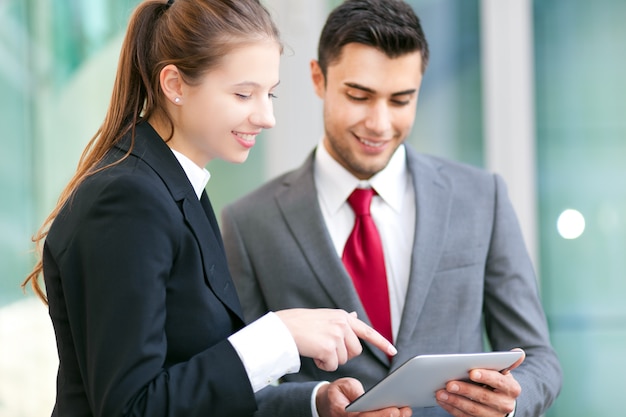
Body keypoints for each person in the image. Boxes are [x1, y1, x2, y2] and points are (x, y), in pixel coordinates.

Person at [20, 1, 404, 416]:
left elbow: (196, 387)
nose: (267, 116)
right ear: (175, 84)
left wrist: (316, 403)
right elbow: (132, 408)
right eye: (243, 94)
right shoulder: (128, 199)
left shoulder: (179, 188)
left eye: (269, 93)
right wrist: (279, 336)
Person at [221, 0, 562, 416]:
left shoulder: (481, 198)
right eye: (359, 96)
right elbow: (231, 383)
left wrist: (510, 402)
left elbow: (539, 359)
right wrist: (315, 405)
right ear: (318, 78)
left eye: (401, 100)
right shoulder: (250, 222)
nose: (379, 123)